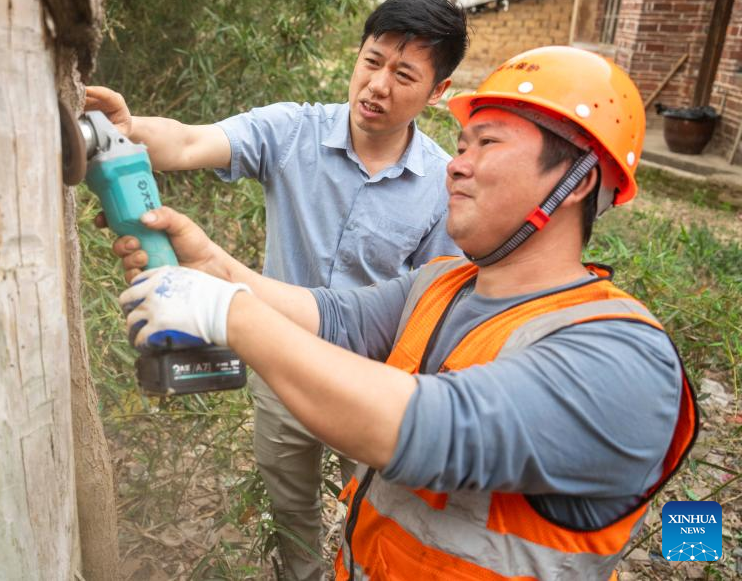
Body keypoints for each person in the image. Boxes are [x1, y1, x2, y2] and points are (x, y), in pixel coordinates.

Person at [113, 46, 698, 580]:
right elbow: (331, 316)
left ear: (577, 182)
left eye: (488, 144)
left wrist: (230, 313)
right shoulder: (440, 284)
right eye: (462, 146)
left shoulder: (620, 355)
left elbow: (421, 428)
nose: (456, 165)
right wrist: (212, 266)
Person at [87, 0, 466, 579]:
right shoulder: (292, 131)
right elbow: (187, 140)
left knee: (380, 511)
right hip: (277, 360)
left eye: (403, 75)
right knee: (292, 509)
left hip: (372, 380)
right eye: (371, 61)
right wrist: (127, 129)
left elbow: (435, 301)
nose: (376, 86)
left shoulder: (444, 184)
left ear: (438, 91)